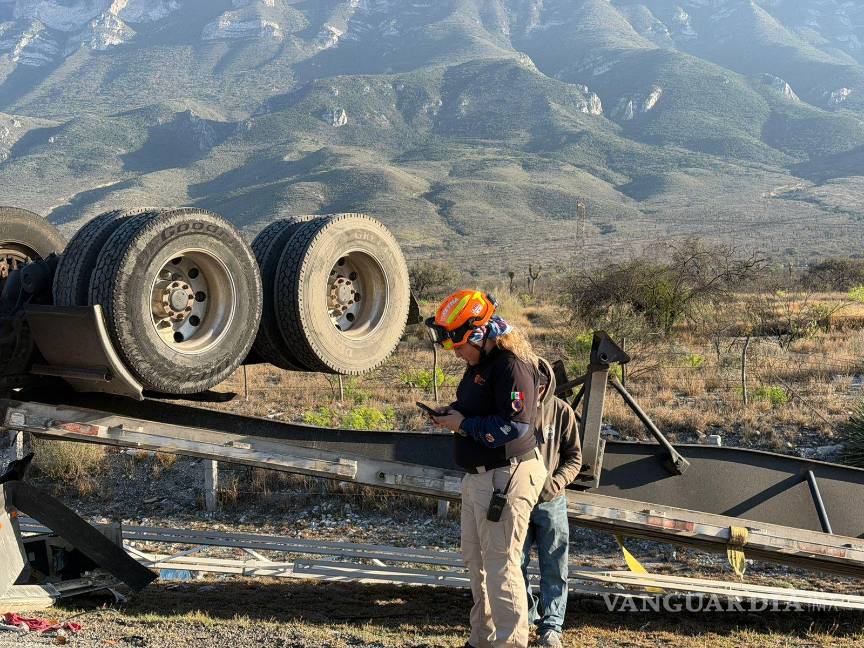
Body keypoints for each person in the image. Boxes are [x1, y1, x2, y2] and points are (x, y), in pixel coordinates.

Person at [425, 290, 547, 648]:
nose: (457, 354)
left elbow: (516, 427)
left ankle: (509, 644)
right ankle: (482, 639)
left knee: (501, 566)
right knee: (477, 564)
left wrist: (462, 426)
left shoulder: (511, 366)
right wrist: (453, 414)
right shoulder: (479, 363)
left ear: (479, 335)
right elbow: (478, 408)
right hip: (480, 476)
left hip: (506, 476)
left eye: (460, 346)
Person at [521, 358, 582, 648]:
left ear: (548, 385)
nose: (538, 389)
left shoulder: (562, 412)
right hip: (518, 501)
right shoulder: (513, 409)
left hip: (551, 502)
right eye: (533, 383)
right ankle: (526, 617)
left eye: (542, 384)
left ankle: (551, 627)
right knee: (514, 563)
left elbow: (575, 458)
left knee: (555, 565)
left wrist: (556, 483)